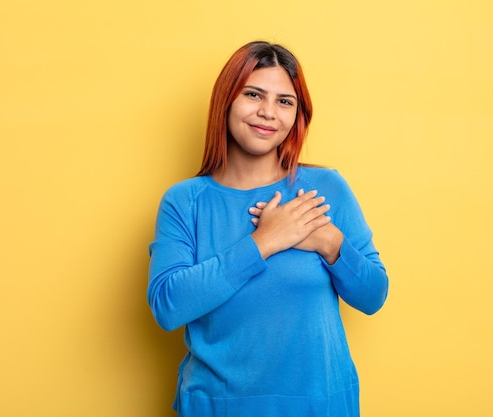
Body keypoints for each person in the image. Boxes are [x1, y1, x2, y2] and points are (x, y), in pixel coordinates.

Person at [148, 40, 389, 417]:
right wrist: (264, 241)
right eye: (253, 94)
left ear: (298, 114)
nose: (267, 113)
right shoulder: (186, 200)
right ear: (226, 100)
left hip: (320, 405)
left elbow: (373, 295)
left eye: (284, 101)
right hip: (217, 407)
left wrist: (330, 242)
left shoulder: (325, 190)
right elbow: (168, 306)